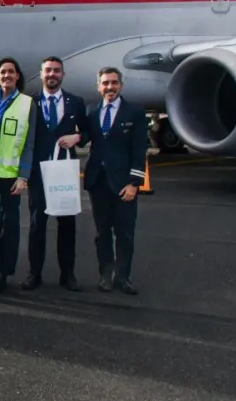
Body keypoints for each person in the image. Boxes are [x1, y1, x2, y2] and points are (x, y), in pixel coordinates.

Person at [59, 66, 147, 295]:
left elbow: (140, 151)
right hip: (98, 181)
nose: (110, 87)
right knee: (102, 233)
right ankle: (105, 275)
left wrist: (134, 183)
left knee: (125, 233)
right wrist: (76, 137)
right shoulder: (93, 111)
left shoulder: (135, 113)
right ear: (98, 87)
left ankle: (123, 277)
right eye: (105, 83)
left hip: (123, 183)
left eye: (114, 83)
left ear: (121, 86)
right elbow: (88, 135)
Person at [21, 57, 86, 292]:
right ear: (41, 74)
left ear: (63, 75)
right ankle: (34, 273)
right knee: (38, 224)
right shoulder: (29, 102)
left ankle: (67, 274)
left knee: (67, 224)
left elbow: (88, 131)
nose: (52, 74)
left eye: (57, 71)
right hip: (39, 174)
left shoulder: (75, 102)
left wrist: (77, 137)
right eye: (48, 70)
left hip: (64, 173)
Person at [0, 57, 36, 292]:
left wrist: (24, 176)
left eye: (11, 72)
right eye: (3, 72)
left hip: (10, 170)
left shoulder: (26, 103)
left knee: (9, 222)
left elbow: (29, 143)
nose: (7, 76)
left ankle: (2, 270)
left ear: (17, 76)